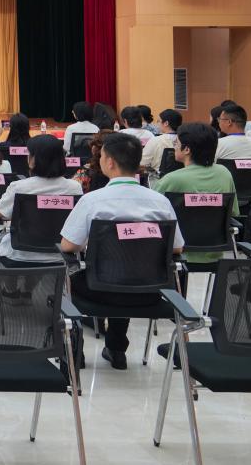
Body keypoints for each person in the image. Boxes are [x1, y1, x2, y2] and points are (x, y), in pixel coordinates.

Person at [59, 133, 184, 370]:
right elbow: (177, 247)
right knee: (128, 268)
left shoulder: (93, 201)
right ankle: (117, 350)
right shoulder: (160, 202)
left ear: (110, 162)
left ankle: (75, 353)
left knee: (75, 278)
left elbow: (68, 246)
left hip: (99, 290)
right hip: (150, 292)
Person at [0, 135, 82, 267]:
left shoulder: (20, 187)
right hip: (61, 256)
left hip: (19, 255)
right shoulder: (75, 188)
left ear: (32, 160)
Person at [152, 123, 237, 265]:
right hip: (215, 255)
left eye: (176, 143)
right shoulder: (224, 173)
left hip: (176, 255)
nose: (174, 146)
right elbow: (233, 212)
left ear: (187, 149)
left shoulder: (171, 179)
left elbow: (152, 215)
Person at [141, 108, 183, 173]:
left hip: (159, 177)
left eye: (158, 121)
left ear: (166, 123)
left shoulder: (155, 140)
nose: (157, 124)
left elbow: (142, 162)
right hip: (181, 176)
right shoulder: (184, 140)